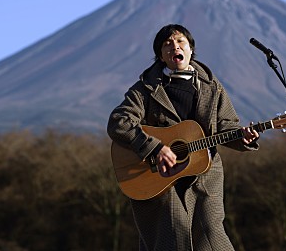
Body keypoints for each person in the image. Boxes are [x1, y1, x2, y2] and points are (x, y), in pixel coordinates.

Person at [107, 23, 260, 251]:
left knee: (211, 234)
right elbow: (119, 120)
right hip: (158, 176)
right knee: (171, 236)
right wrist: (155, 148)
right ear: (160, 56)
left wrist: (243, 138)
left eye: (180, 42)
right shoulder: (145, 89)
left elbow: (226, 126)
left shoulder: (211, 87)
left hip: (205, 172)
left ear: (190, 49)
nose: (174, 47)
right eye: (167, 44)